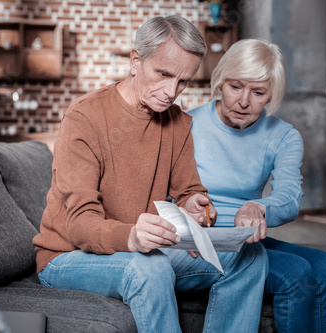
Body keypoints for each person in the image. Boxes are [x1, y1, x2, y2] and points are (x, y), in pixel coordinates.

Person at [32, 16, 269, 333]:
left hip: (142, 249)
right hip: (68, 256)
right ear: (135, 61)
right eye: (164, 74)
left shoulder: (179, 123)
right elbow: (80, 225)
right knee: (151, 269)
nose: (172, 91)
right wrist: (130, 236)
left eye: (183, 81)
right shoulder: (85, 116)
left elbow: (191, 193)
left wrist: (198, 207)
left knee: (250, 256)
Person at [187, 38, 326, 333]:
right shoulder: (187, 125)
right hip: (204, 241)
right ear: (221, 81)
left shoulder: (284, 135)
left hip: (248, 240)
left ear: (272, 95)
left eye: (258, 92)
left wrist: (258, 207)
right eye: (235, 87)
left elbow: (288, 196)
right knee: (296, 272)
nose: (244, 101)